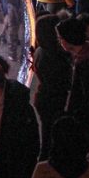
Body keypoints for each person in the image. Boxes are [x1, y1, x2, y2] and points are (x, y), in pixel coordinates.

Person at [31, 13, 70, 159]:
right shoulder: (52, 56)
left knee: (48, 134)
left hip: (44, 97)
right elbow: (59, 80)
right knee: (50, 137)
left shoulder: (41, 51)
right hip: (51, 99)